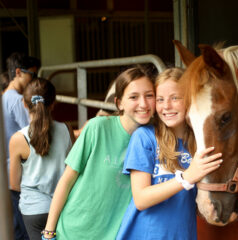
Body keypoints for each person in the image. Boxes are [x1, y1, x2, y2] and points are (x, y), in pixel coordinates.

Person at [42, 66, 156, 240]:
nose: (143, 103)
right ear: (119, 103)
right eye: (134, 97)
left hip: (113, 235)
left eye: (149, 95)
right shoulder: (98, 127)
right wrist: (49, 232)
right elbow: (66, 181)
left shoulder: (155, 139)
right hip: (72, 231)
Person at [116, 68, 223, 240]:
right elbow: (141, 199)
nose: (166, 106)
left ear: (189, 99)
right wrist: (186, 177)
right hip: (143, 235)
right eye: (160, 99)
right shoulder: (145, 137)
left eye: (175, 98)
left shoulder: (199, 143)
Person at [9, 78, 74, 240]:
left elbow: (15, 184)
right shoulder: (67, 129)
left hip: (34, 211)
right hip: (63, 206)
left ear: (24, 104)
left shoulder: (18, 139)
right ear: (53, 104)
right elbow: (72, 170)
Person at [2, 52, 40, 240]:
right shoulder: (16, 100)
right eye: (32, 75)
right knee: (23, 230)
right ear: (18, 72)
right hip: (18, 173)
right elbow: (35, 131)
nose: (34, 80)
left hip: (9, 173)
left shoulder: (4, 97)